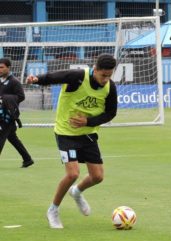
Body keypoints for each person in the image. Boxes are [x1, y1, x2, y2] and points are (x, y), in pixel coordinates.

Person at [26, 53, 118, 229]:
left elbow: (111, 113)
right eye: (103, 75)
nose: (106, 79)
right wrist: (37, 78)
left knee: (97, 177)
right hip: (66, 133)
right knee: (73, 173)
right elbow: (56, 76)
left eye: (109, 76)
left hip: (88, 134)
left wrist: (88, 122)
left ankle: (76, 192)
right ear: (95, 69)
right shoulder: (78, 77)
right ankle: (53, 210)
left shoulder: (110, 88)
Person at [0, 58, 34, 168]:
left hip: (8, 116)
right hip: (0, 115)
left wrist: (5, 99)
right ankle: (27, 159)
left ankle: (27, 159)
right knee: (12, 138)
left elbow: (21, 96)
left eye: (2, 67)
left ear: (8, 68)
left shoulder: (14, 81)